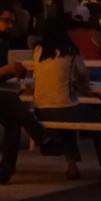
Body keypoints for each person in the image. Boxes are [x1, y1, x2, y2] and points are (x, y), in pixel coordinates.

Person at [32, 14, 101, 181]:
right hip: (64, 106)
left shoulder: (38, 51)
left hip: (40, 109)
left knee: (66, 124)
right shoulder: (70, 51)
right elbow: (83, 74)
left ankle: (72, 166)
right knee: (98, 120)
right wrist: (84, 88)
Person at [0, 2, 54, 184]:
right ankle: (41, 136)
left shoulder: (4, 42)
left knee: (13, 121)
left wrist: (11, 72)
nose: (10, 25)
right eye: (6, 21)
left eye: (12, 22)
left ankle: (5, 170)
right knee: (12, 98)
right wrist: (6, 70)